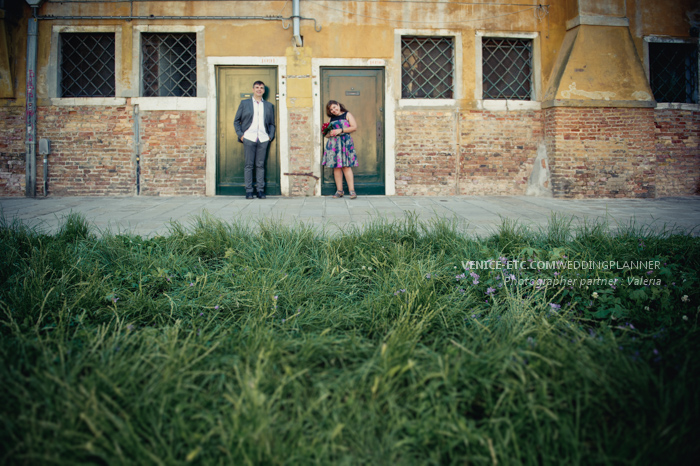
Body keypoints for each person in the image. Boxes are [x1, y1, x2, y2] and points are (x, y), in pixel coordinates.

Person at [234, 81, 276, 199]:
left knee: (260, 165)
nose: (259, 89)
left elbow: (272, 124)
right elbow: (236, 121)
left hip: (263, 138)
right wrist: (241, 135)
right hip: (249, 137)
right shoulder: (245, 103)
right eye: (257, 87)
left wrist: (270, 136)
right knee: (249, 165)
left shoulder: (268, 106)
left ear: (264, 90)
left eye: (261, 88)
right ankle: (249, 191)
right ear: (253, 89)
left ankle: (260, 190)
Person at [322, 100, 358, 199]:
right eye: (331, 109)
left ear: (338, 105)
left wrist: (340, 130)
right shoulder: (331, 119)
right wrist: (328, 133)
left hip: (345, 142)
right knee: (336, 167)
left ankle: (352, 191)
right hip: (334, 144)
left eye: (334, 107)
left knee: (346, 166)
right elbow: (327, 135)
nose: (333, 110)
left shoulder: (347, 114)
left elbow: (354, 127)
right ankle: (339, 191)